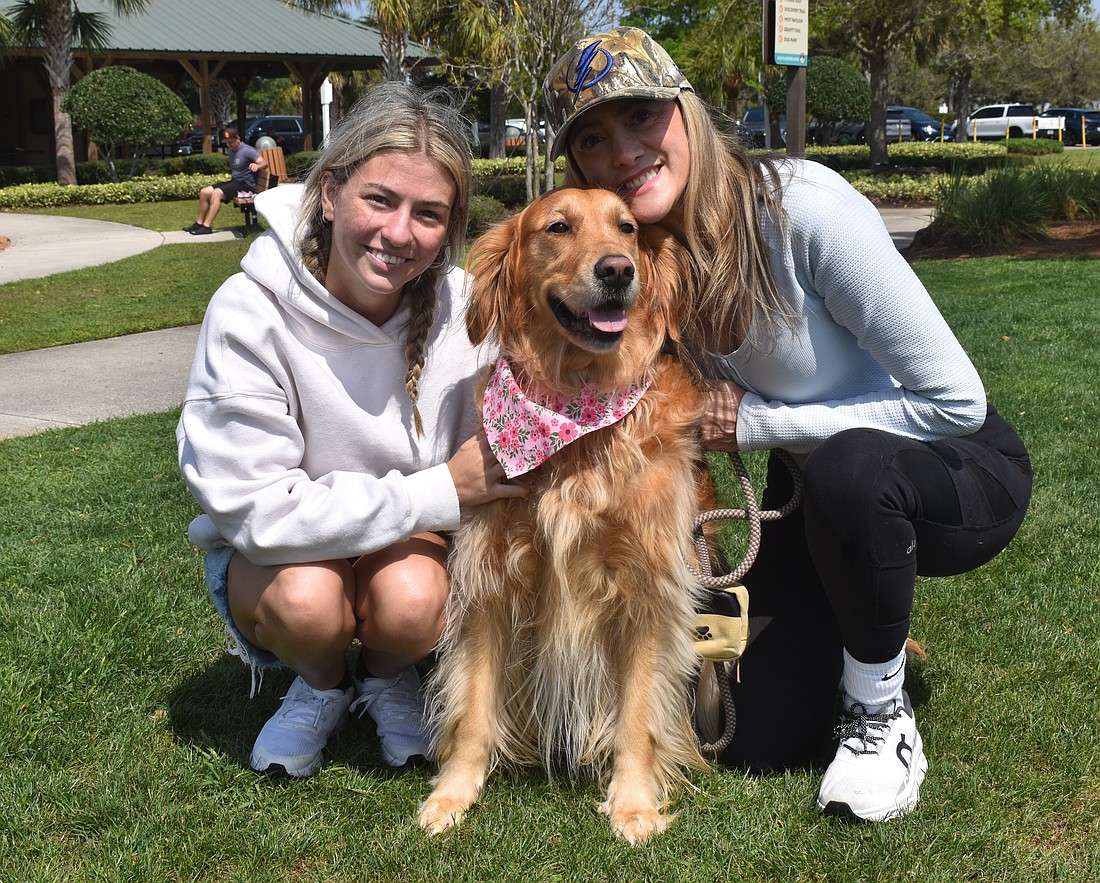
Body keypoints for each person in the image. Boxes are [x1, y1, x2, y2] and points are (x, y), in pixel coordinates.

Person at [545, 28, 1032, 822]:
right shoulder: (647, 257)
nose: (624, 151)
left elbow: (956, 402)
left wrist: (765, 422)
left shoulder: (803, 207)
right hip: (818, 488)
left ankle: (880, 714)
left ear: (686, 112)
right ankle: (864, 630)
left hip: (954, 467)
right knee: (758, 738)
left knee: (848, 467)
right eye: (595, 139)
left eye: (641, 118)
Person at [176, 83, 523, 777]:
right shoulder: (250, 309)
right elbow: (259, 514)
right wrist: (440, 491)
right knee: (309, 601)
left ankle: (387, 673)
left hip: (406, 549)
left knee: (415, 597)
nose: (400, 234)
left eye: (429, 214)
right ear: (330, 194)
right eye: (380, 200)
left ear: (451, 227)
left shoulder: (464, 309)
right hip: (277, 561)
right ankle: (322, 682)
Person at [183, 127, 267, 235]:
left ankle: (206, 226)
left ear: (238, 138)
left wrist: (257, 165)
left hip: (246, 185)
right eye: (227, 143)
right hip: (235, 182)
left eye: (231, 142)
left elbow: (264, 163)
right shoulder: (232, 151)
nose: (229, 145)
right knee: (204, 192)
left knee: (216, 193)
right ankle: (199, 223)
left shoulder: (247, 150)